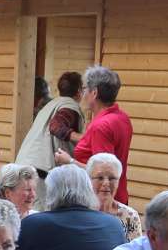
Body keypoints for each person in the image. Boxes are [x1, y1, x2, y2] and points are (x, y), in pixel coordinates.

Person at [55, 66, 132, 206]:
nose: (83, 94)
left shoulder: (101, 126)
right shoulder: (122, 118)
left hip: (102, 202)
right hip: (119, 196)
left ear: (94, 92)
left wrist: (69, 161)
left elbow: (103, 173)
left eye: (85, 89)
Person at [15, 70, 82, 205]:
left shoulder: (50, 105)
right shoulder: (69, 106)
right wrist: (83, 138)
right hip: (39, 174)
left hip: (23, 167)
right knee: (38, 217)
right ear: (79, 91)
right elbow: (56, 126)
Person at [86, 153, 141, 240]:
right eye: (100, 178)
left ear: (118, 181)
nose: (106, 183)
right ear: (89, 180)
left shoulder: (129, 216)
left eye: (112, 178)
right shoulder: (80, 213)